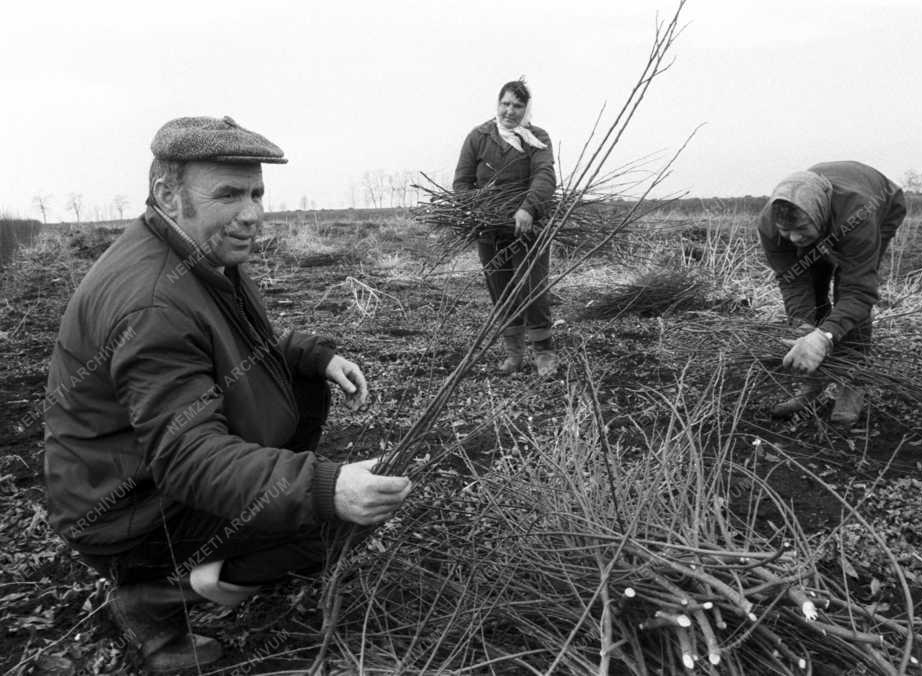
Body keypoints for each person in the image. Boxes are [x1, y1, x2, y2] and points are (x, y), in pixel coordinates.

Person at [43, 116, 412, 672]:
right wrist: (324, 487)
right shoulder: (154, 302)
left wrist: (313, 356)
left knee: (303, 395)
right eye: (229, 194)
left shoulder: (193, 252)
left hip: (130, 477)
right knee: (342, 516)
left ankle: (222, 561)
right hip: (126, 512)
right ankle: (154, 599)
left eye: (257, 193)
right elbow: (188, 458)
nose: (253, 214)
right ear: (168, 193)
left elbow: (227, 342)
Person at [757, 161, 906, 424]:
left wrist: (825, 336)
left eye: (801, 229)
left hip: (881, 206)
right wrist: (804, 331)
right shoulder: (769, 223)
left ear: (818, 215)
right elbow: (792, 281)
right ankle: (815, 381)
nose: (793, 238)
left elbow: (859, 291)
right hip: (829, 219)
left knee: (847, 293)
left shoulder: (858, 214)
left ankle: (851, 381)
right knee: (811, 282)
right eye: (786, 232)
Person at [454, 79, 559, 377]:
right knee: (501, 290)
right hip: (490, 230)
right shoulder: (478, 137)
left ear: (526, 109)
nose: (510, 111)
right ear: (497, 104)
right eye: (506, 104)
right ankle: (514, 354)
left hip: (528, 229)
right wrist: (478, 210)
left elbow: (544, 176)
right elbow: (462, 183)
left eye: (517, 106)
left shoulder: (537, 138)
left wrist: (528, 207)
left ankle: (544, 352)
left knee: (532, 288)